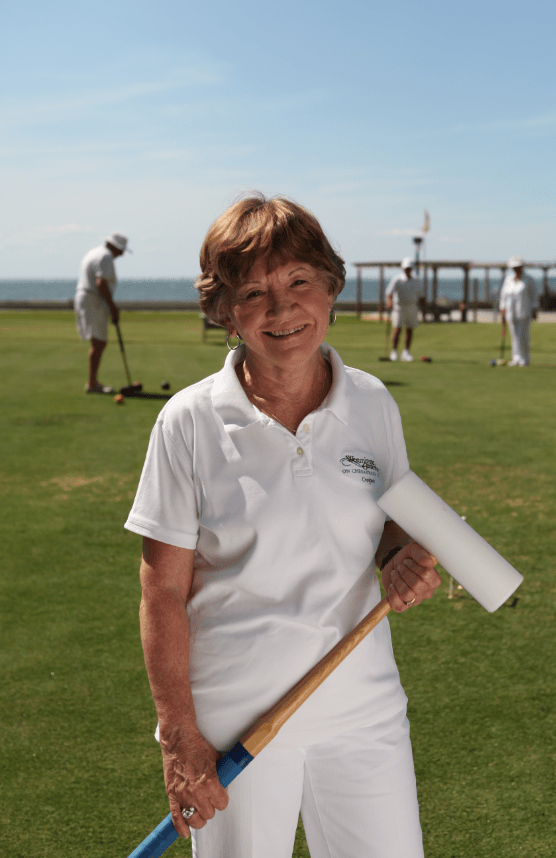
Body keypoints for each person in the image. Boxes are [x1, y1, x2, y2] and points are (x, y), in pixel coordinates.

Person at [125, 194, 440, 858]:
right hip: (236, 726)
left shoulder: (374, 404)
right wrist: (181, 742)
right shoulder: (187, 422)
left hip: (365, 712)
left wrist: (404, 556)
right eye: (253, 292)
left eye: (299, 281)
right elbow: (161, 596)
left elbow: (389, 529)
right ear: (223, 311)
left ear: (329, 289)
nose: (281, 308)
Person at [74, 232, 129, 392]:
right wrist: (112, 306)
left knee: (98, 342)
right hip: (93, 300)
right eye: (122, 249)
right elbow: (101, 283)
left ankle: (93, 382)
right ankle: (92, 384)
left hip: (88, 298)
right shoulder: (105, 256)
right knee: (99, 342)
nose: (123, 253)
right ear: (115, 247)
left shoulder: (95, 252)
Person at [499, 256, 539, 366]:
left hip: (524, 312)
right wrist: (502, 308)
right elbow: (503, 296)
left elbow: (534, 295)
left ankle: (525, 359)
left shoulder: (528, 280)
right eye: (514, 267)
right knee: (514, 336)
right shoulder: (508, 280)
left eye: (518, 267)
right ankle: (516, 358)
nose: (516, 269)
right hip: (511, 313)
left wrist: (535, 309)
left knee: (524, 336)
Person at [385, 258, 426, 361]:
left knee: (409, 329)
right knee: (397, 329)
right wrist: (389, 302)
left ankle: (406, 352)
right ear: (403, 268)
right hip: (399, 307)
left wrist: (424, 308)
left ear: (411, 268)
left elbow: (421, 296)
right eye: (406, 268)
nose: (408, 270)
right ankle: (394, 352)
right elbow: (389, 292)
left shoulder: (417, 280)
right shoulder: (397, 279)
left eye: (409, 268)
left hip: (412, 307)